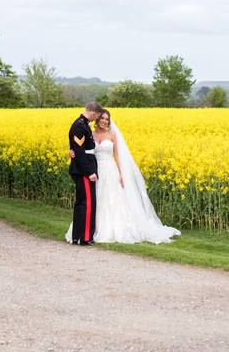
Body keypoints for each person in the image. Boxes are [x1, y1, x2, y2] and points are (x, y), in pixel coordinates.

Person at [65, 108, 180, 244]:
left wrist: (121, 174)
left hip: (110, 169)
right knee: (93, 200)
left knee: (112, 199)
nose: (104, 121)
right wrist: (71, 152)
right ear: (97, 119)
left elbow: (117, 155)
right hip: (95, 169)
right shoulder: (90, 133)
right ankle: (88, 231)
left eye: (107, 119)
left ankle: (109, 229)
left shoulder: (112, 134)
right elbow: (82, 149)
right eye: (102, 118)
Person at [67, 102, 101, 245]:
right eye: (97, 117)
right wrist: (89, 172)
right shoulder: (80, 125)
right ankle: (85, 237)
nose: (96, 120)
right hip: (84, 170)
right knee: (87, 203)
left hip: (83, 167)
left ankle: (77, 237)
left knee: (82, 203)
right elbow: (80, 152)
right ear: (94, 113)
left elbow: (76, 148)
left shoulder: (83, 124)